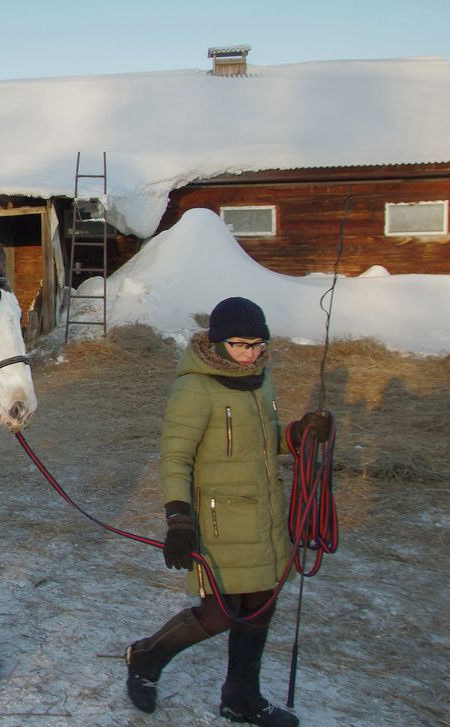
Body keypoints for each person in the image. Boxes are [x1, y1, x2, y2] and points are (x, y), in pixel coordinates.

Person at [124, 296, 332, 726]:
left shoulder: (262, 380)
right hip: (218, 521)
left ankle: (241, 698)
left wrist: (300, 433)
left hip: (264, 516)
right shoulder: (194, 388)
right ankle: (146, 658)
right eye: (240, 345)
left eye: (257, 345)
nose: (250, 354)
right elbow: (175, 458)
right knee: (219, 614)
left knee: (261, 607)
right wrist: (178, 520)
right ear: (218, 343)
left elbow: (266, 439)